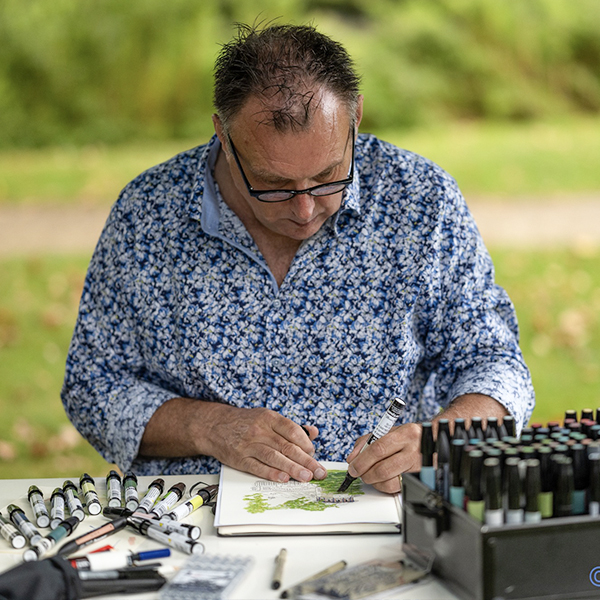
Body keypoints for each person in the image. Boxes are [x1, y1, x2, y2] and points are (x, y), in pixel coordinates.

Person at [62, 23, 535, 493]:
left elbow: (495, 364)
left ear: (356, 119)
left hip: (382, 516)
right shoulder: (149, 212)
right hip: (189, 523)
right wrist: (207, 426)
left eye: (329, 175)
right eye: (273, 185)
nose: (305, 209)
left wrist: (440, 439)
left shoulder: (420, 200)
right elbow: (92, 385)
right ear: (223, 136)